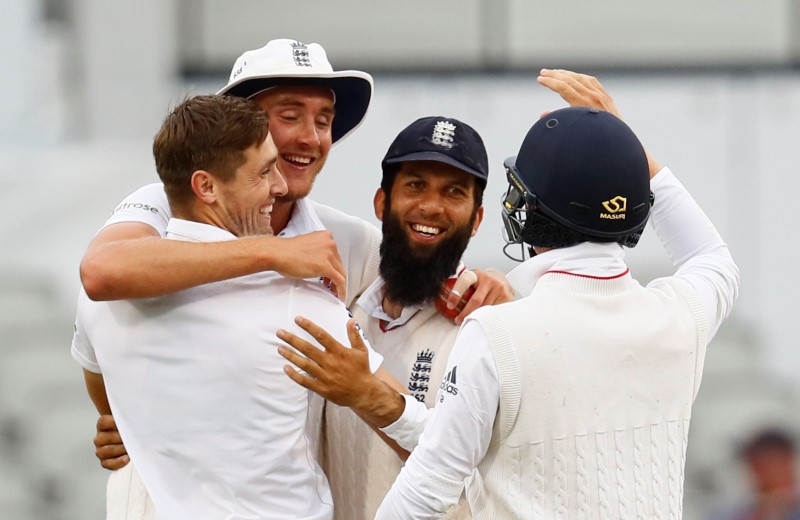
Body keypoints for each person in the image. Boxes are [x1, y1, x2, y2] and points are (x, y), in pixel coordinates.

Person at [276, 70, 740, 519]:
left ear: (521, 210)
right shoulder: (681, 315)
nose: (432, 204)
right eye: (416, 184)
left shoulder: (497, 328)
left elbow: (429, 486)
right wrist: (619, 147)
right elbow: (713, 257)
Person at [72, 94, 385, 520]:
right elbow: (100, 271)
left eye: (324, 120)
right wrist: (272, 255)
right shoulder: (156, 199)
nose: (310, 137)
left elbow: (430, 279)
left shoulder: (353, 238)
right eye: (288, 116)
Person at [321, 115, 501, 520]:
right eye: (416, 185)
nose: (432, 206)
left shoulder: (488, 327)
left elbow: (472, 475)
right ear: (382, 202)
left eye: (454, 192)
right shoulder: (342, 312)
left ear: (476, 219)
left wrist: (369, 394)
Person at [709, 428, 800, 520]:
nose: (763, 477)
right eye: (756, 468)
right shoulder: (734, 511)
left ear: (788, 463)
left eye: (768, 467)